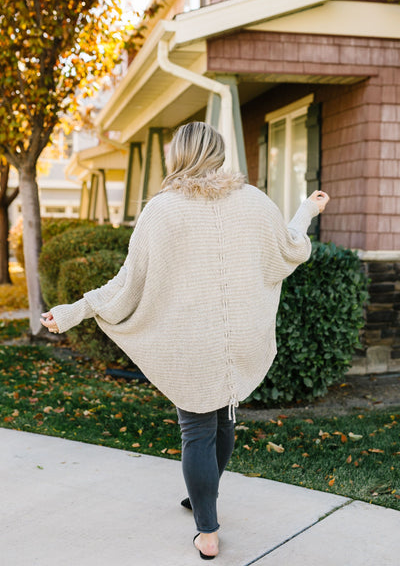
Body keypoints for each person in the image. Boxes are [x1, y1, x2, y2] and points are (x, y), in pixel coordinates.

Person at [41, 121, 329, 560]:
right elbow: (290, 247)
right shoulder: (253, 201)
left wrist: (71, 312)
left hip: (190, 344)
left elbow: (125, 283)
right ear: (217, 154)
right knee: (224, 420)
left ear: (177, 156)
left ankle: (207, 531)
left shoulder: (162, 210)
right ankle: (203, 498)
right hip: (239, 341)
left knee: (197, 430)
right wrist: (306, 210)